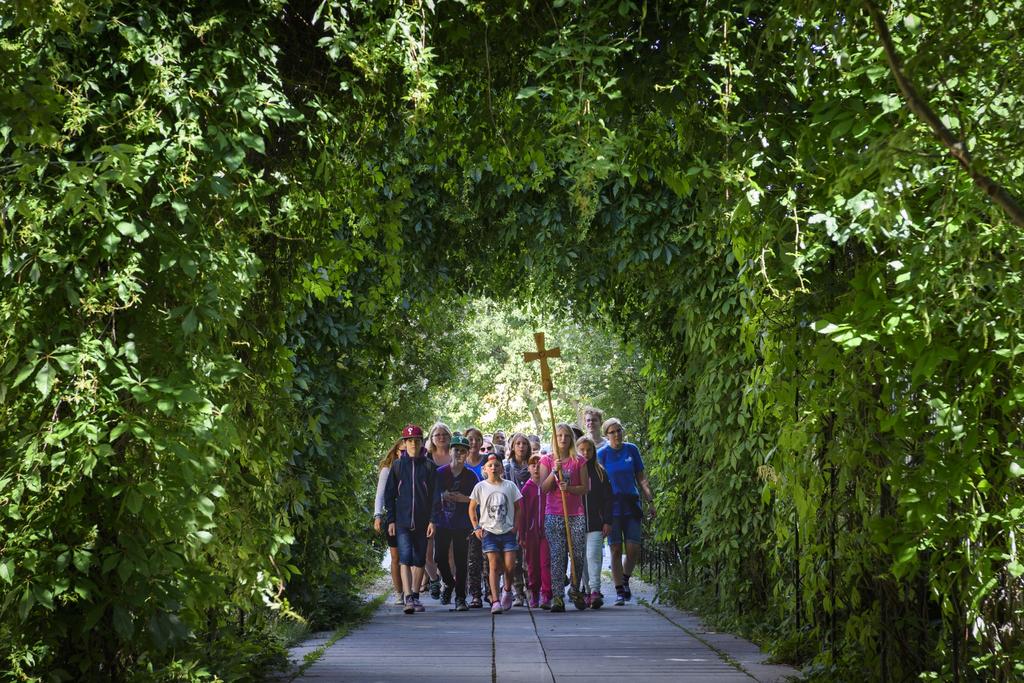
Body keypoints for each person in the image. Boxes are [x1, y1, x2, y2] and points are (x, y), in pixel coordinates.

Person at [597, 418, 655, 606]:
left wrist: (650, 501)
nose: (616, 435)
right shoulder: (602, 454)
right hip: (612, 507)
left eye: (619, 431)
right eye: (612, 432)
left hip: (631, 504)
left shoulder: (632, 450)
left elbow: (642, 479)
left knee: (633, 549)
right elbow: (597, 484)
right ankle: (619, 590)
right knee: (615, 549)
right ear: (607, 435)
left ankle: (625, 579)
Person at [384, 424, 437, 614]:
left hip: (423, 521)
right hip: (402, 521)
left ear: (422, 442)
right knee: (404, 558)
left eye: (416, 440)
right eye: (409, 441)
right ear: (404, 443)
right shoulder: (398, 466)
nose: (413, 444)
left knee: (420, 559)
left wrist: (433, 520)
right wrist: (391, 520)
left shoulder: (430, 466)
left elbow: (435, 496)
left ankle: (415, 595)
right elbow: (389, 495)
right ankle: (407, 596)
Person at [539, 422, 590, 612]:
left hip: (575, 514)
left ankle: (575, 590)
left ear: (571, 438)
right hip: (553, 513)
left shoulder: (578, 461)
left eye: (566, 436)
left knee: (577, 554)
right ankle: (557, 596)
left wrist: (568, 488)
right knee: (558, 555)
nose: (563, 439)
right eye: (559, 435)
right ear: (554, 438)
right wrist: (554, 471)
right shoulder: (547, 460)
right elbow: (544, 488)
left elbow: (585, 488)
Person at [469, 453, 523, 615]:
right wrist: (476, 527)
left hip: (507, 531)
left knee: (510, 565)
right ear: (484, 469)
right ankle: (495, 600)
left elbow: (518, 508)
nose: (494, 467)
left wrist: (516, 526)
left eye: (497, 465)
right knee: (493, 566)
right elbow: (472, 508)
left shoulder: (510, 486)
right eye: (490, 465)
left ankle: (507, 589)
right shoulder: (480, 487)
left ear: (502, 468)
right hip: (489, 532)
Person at [431, 432, 478, 611]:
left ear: (467, 454)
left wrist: (463, 499)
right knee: (439, 557)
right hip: (442, 521)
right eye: (456, 450)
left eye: (463, 451)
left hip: (462, 523)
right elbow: (433, 496)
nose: (459, 454)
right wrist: (443, 496)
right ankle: (448, 583)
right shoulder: (440, 473)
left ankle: (460, 597)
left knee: (461, 560)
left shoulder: (471, 476)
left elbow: (477, 499)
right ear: (450, 452)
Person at [578, 435, 612, 609]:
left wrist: (607, 521)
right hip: (577, 522)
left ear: (594, 451)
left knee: (593, 556)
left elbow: (608, 498)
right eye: (582, 449)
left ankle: (595, 591)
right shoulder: (573, 470)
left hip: (596, 522)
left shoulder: (600, 472)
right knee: (582, 558)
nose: (585, 453)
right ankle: (585, 589)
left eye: (589, 449)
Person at [373, 438, 406, 605]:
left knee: (409, 556)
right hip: (393, 517)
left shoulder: (415, 467)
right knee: (396, 557)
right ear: (396, 451)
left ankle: (409, 592)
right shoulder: (387, 470)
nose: (405, 454)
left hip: (410, 516)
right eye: (402, 451)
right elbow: (380, 494)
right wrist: (377, 515)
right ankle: (399, 592)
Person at [422, 422, 453, 598]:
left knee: (449, 550)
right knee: (427, 547)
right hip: (429, 507)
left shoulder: (455, 454)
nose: (441, 437)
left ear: (449, 436)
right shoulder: (426, 457)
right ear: (432, 438)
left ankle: (447, 581)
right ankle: (433, 579)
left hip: (451, 507)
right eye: (437, 435)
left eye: (444, 434)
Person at [503, 432, 532, 605]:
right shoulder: (506, 468)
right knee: (514, 556)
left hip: (530, 515)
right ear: (512, 447)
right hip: (512, 516)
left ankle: (531, 590)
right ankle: (518, 592)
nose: (521, 446)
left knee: (529, 556)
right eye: (518, 443)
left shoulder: (533, 466)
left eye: (524, 444)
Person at [520, 453, 551, 609]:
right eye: (533, 465)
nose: (537, 468)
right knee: (532, 564)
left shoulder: (549, 485)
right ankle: (534, 593)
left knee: (546, 563)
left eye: (539, 465)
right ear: (528, 468)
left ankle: (547, 594)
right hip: (531, 533)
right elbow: (522, 513)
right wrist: (522, 533)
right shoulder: (526, 489)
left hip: (547, 532)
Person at [463, 426, 487, 606]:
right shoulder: (461, 463)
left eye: (477, 439)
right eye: (470, 439)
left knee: (489, 556)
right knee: (473, 558)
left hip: (488, 515)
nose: (473, 442)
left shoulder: (488, 461)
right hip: (468, 516)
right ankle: (475, 594)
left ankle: (492, 592)